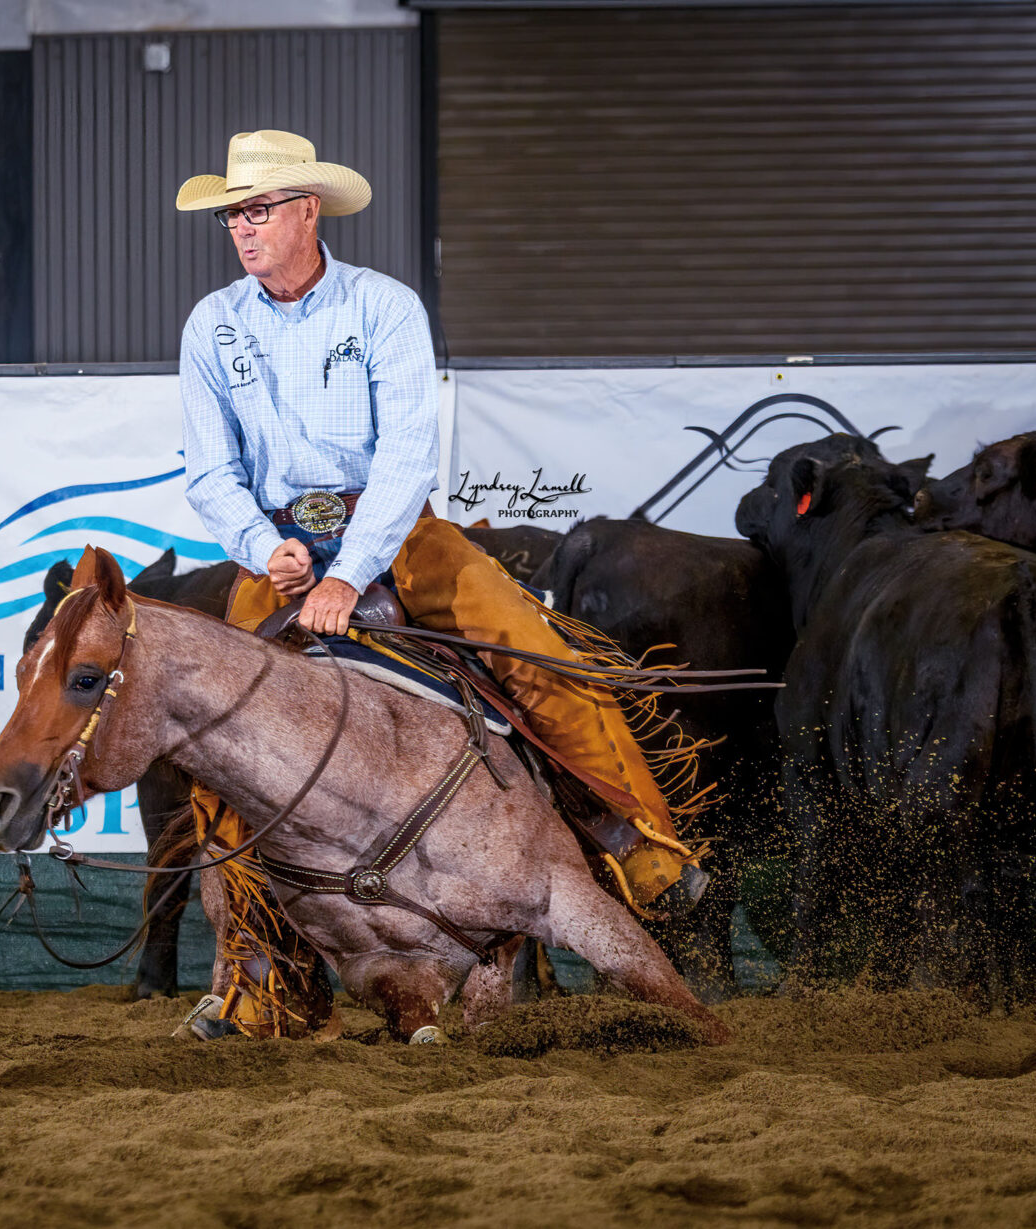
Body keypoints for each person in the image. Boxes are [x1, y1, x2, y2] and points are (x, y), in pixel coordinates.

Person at [176, 130, 704, 1038]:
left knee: (534, 649)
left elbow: (407, 457)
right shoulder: (211, 325)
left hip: (396, 531)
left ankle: (640, 842)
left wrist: (348, 570)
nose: (242, 229)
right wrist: (265, 546)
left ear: (309, 210)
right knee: (223, 736)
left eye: (258, 209)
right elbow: (208, 469)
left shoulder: (382, 307)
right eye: (233, 214)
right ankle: (259, 980)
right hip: (278, 543)